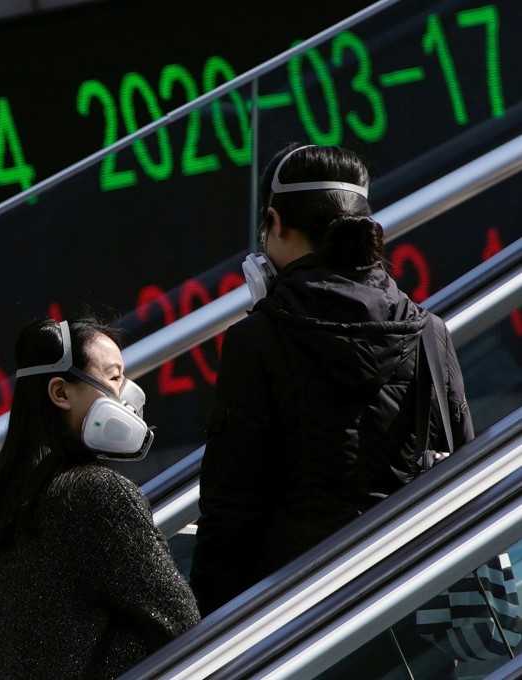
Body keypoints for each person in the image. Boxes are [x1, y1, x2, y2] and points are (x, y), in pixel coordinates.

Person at [189, 143, 475, 675]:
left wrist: (206, 639)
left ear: (274, 222)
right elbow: (463, 477)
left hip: (295, 626)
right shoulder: (428, 334)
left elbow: (230, 512)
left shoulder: (258, 340)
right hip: (411, 621)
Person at [0, 316, 200, 679]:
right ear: (61, 393)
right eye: (113, 377)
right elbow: (180, 623)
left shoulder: (4, 502)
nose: (126, 394)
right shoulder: (99, 495)